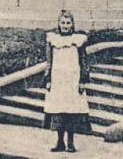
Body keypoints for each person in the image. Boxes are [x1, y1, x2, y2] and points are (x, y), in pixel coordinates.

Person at [43, 10, 91, 153]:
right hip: (58, 80)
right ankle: (59, 142)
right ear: (59, 24)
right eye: (63, 23)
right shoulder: (52, 40)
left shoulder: (78, 40)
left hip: (72, 80)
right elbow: (49, 61)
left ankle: (70, 142)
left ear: (72, 24)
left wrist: (83, 80)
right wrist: (48, 79)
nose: (65, 26)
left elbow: (83, 61)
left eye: (68, 23)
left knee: (71, 110)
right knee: (58, 110)